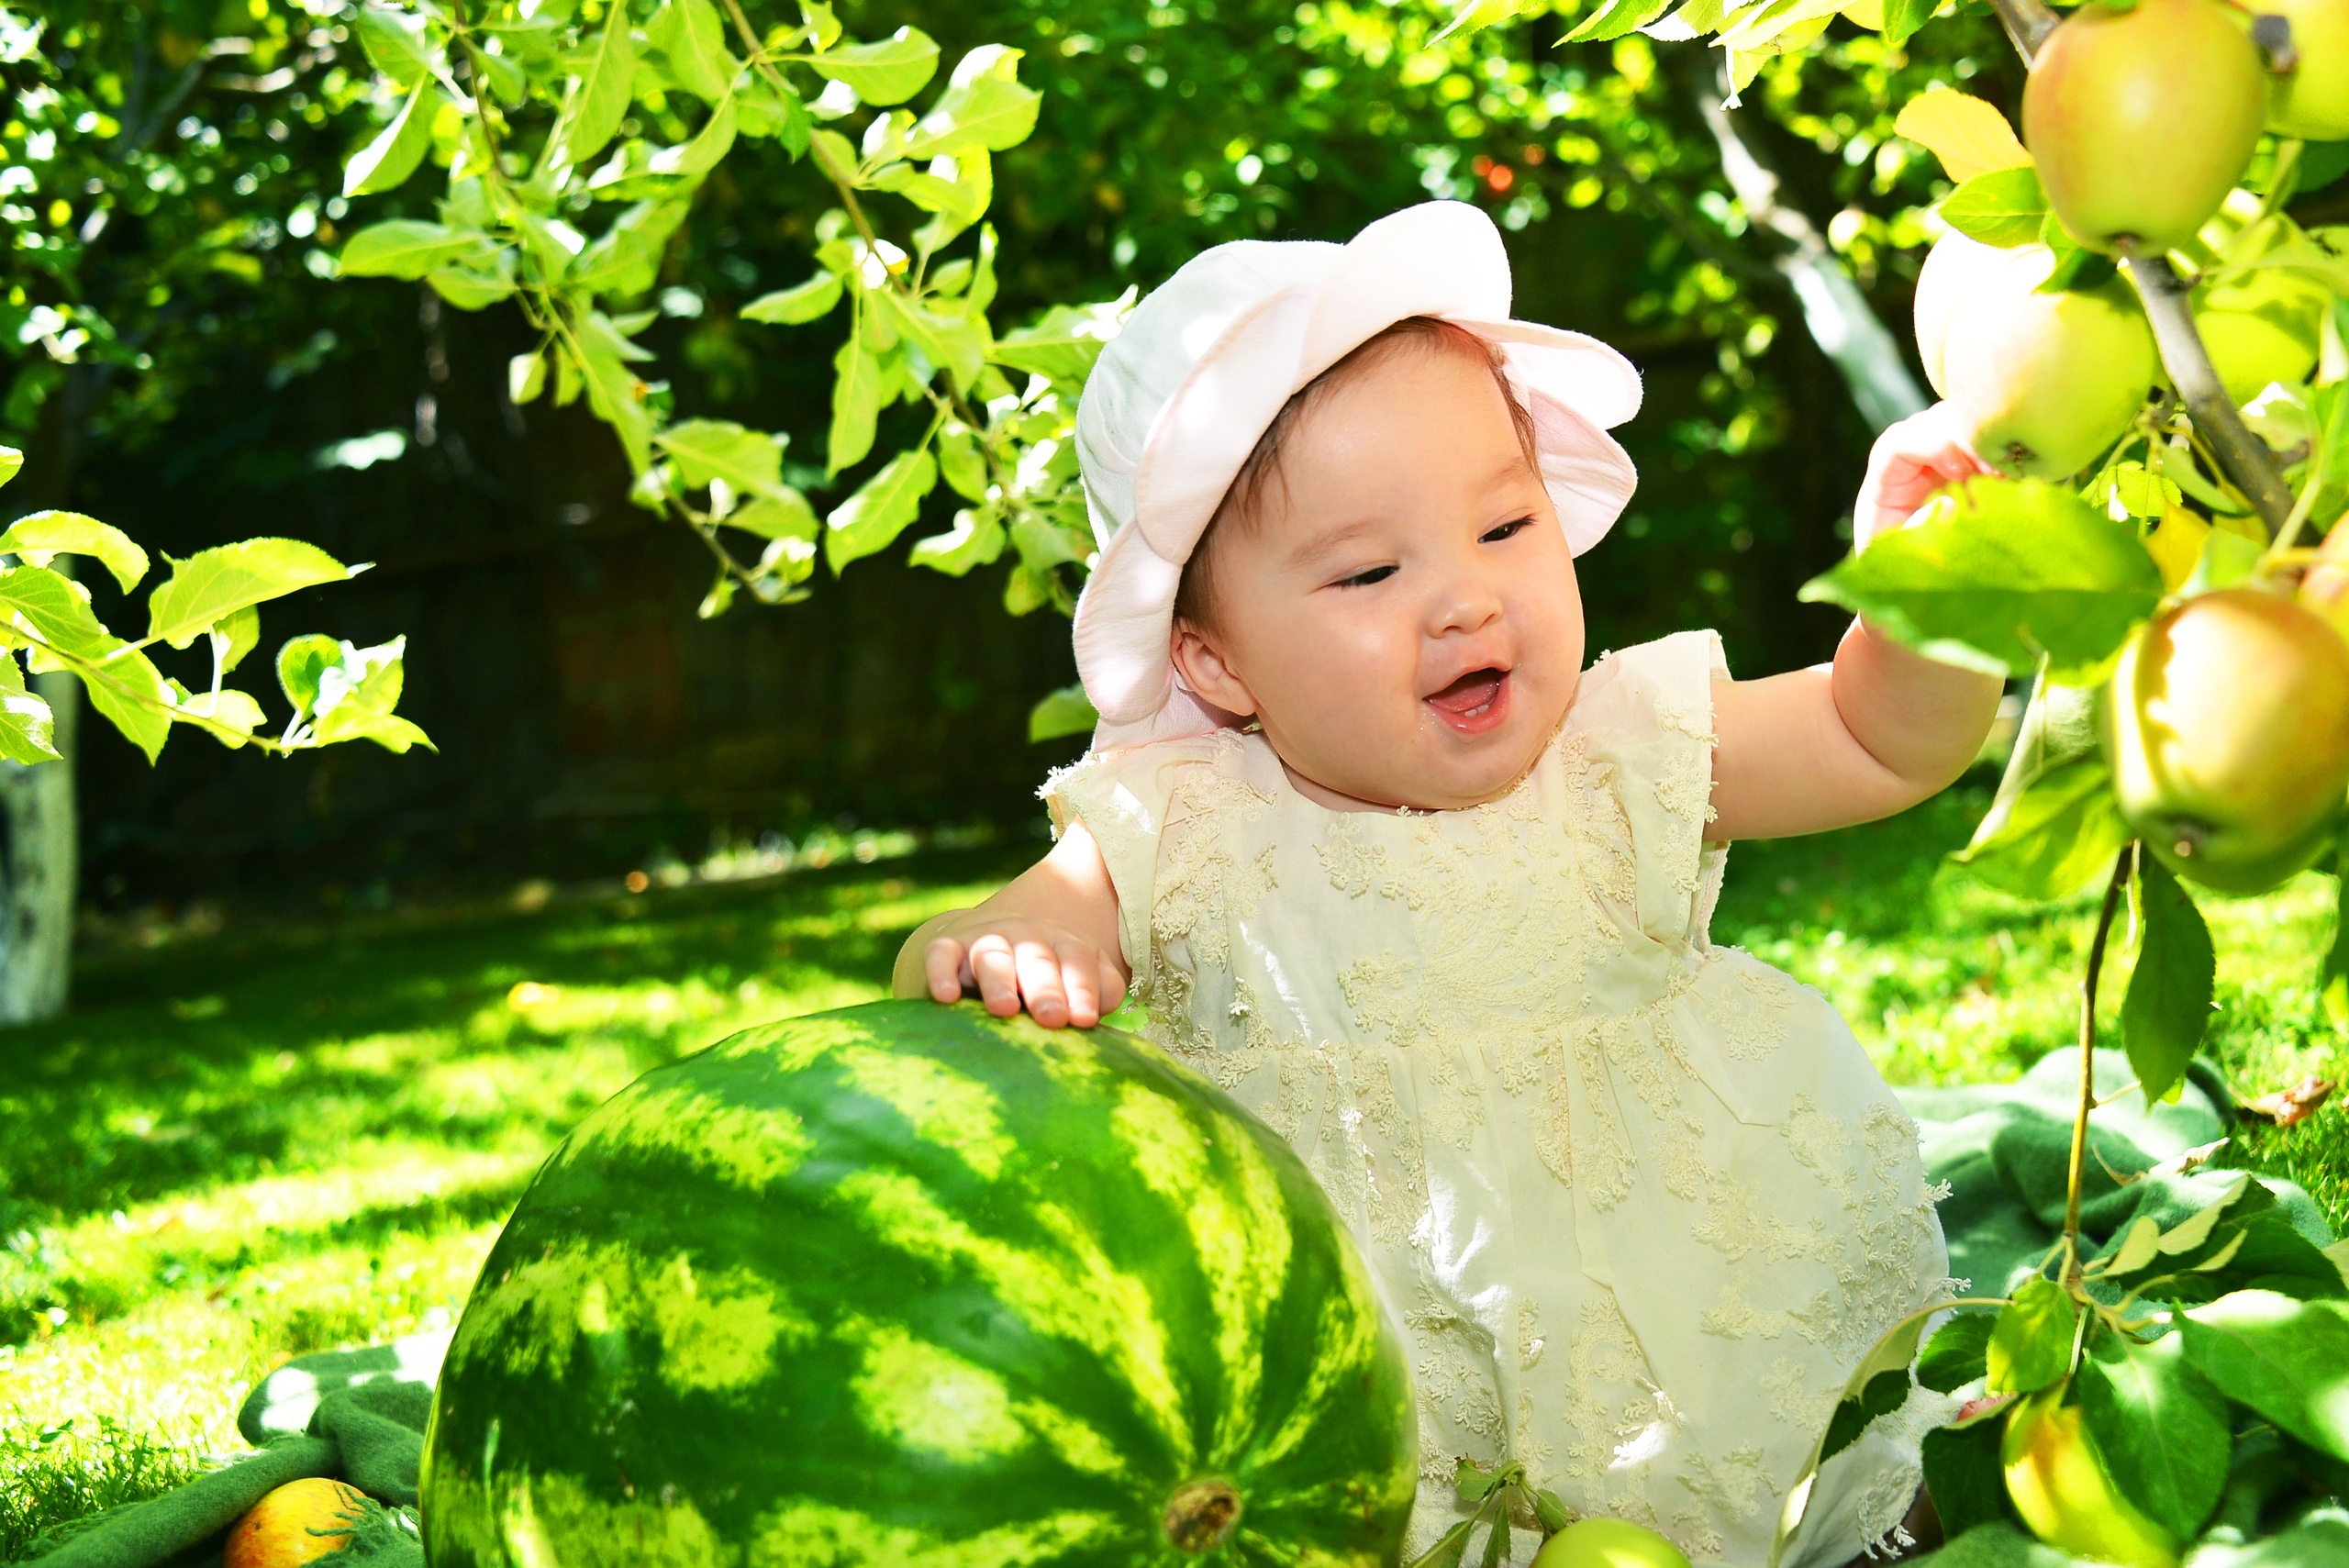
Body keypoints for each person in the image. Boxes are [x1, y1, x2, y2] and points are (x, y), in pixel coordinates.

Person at [893, 200, 2000, 1568]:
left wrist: (1934, 597)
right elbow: (989, 945)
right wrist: (1011, 937)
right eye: (1370, 568)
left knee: (1821, 1499)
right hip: (1377, 1391)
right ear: (1219, 663)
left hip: (1700, 1316)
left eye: (1503, 526)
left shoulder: (1619, 750)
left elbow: (1871, 738)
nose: (1467, 600)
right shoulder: (1183, 822)